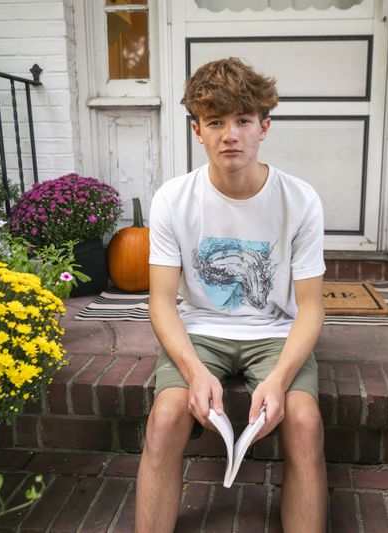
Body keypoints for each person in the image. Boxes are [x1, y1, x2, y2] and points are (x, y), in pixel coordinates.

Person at [134, 57, 327, 532]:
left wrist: (280, 380)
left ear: (265, 126)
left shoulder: (300, 200)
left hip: (276, 333)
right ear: (197, 130)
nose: (230, 135)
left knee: (304, 423)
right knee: (164, 420)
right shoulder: (172, 200)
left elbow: (311, 307)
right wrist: (195, 372)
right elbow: (161, 302)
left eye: (242, 120)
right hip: (199, 331)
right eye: (215, 121)